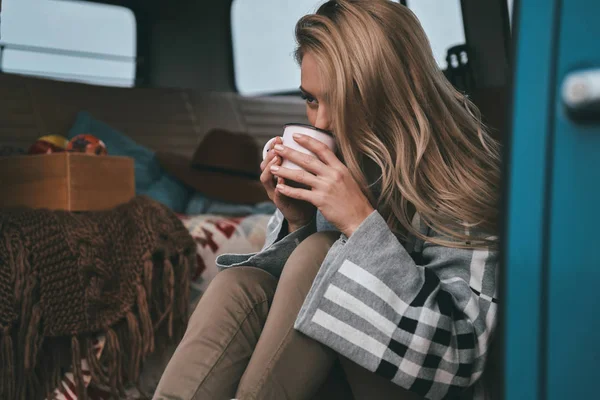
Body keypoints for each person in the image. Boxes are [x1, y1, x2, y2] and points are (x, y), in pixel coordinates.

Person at [153, 1, 501, 399]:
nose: (319, 122)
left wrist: (359, 225)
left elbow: (459, 360)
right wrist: (299, 221)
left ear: (392, 92)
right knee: (242, 287)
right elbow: (289, 318)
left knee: (323, 255)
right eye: (312, 99)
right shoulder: (351, 165)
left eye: (342, 99)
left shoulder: (464, 181)